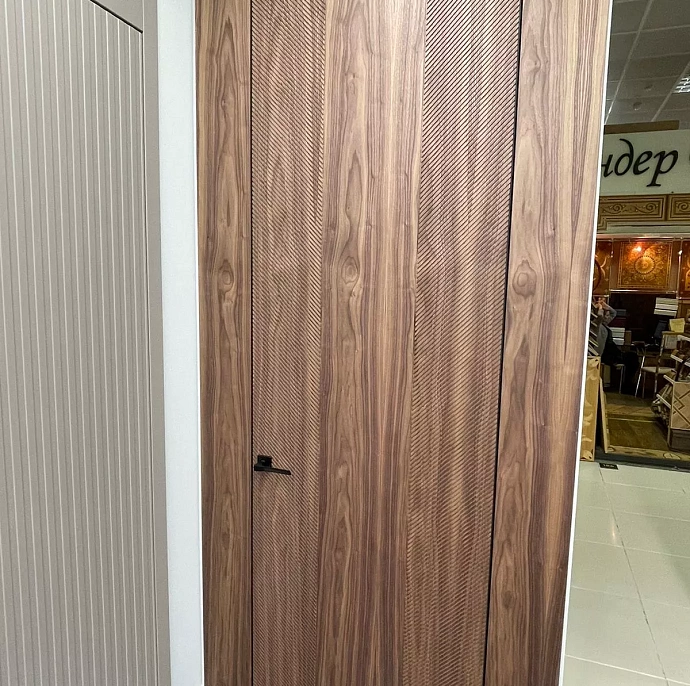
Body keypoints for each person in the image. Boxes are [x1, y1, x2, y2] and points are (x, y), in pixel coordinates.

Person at [593, 297, 639, 394]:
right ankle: (627, 385)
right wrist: (600, 307)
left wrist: (605, 306)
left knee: (633, 357)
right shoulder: (596, 325)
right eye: (606, 314)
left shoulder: (604, 324)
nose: (607, 317)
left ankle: (628, 384)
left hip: (612, 351)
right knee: (631, 359)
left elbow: (614, 313)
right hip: (605, 354)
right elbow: (599, 316)